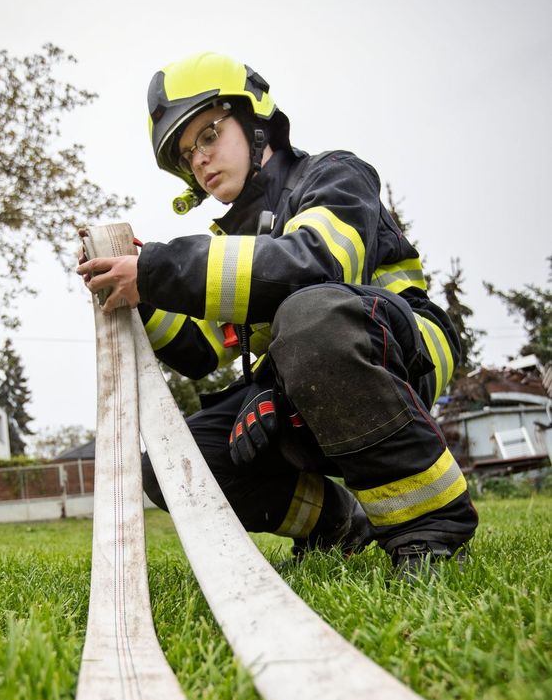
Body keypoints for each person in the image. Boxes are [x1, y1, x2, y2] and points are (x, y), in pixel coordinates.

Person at [77, 51, 478, 576]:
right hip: (304, 375)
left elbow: (314, 268)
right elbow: (198, 353)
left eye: (208, 134)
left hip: (399, 359)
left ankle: (430, 527)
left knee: (313, 318)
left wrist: (157, 269)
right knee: (177, 465)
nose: (198, 159)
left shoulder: (334, 175)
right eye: (185, 153)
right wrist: (138, 296)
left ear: (255, 121)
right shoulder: (232, 242)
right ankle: (337, 522)